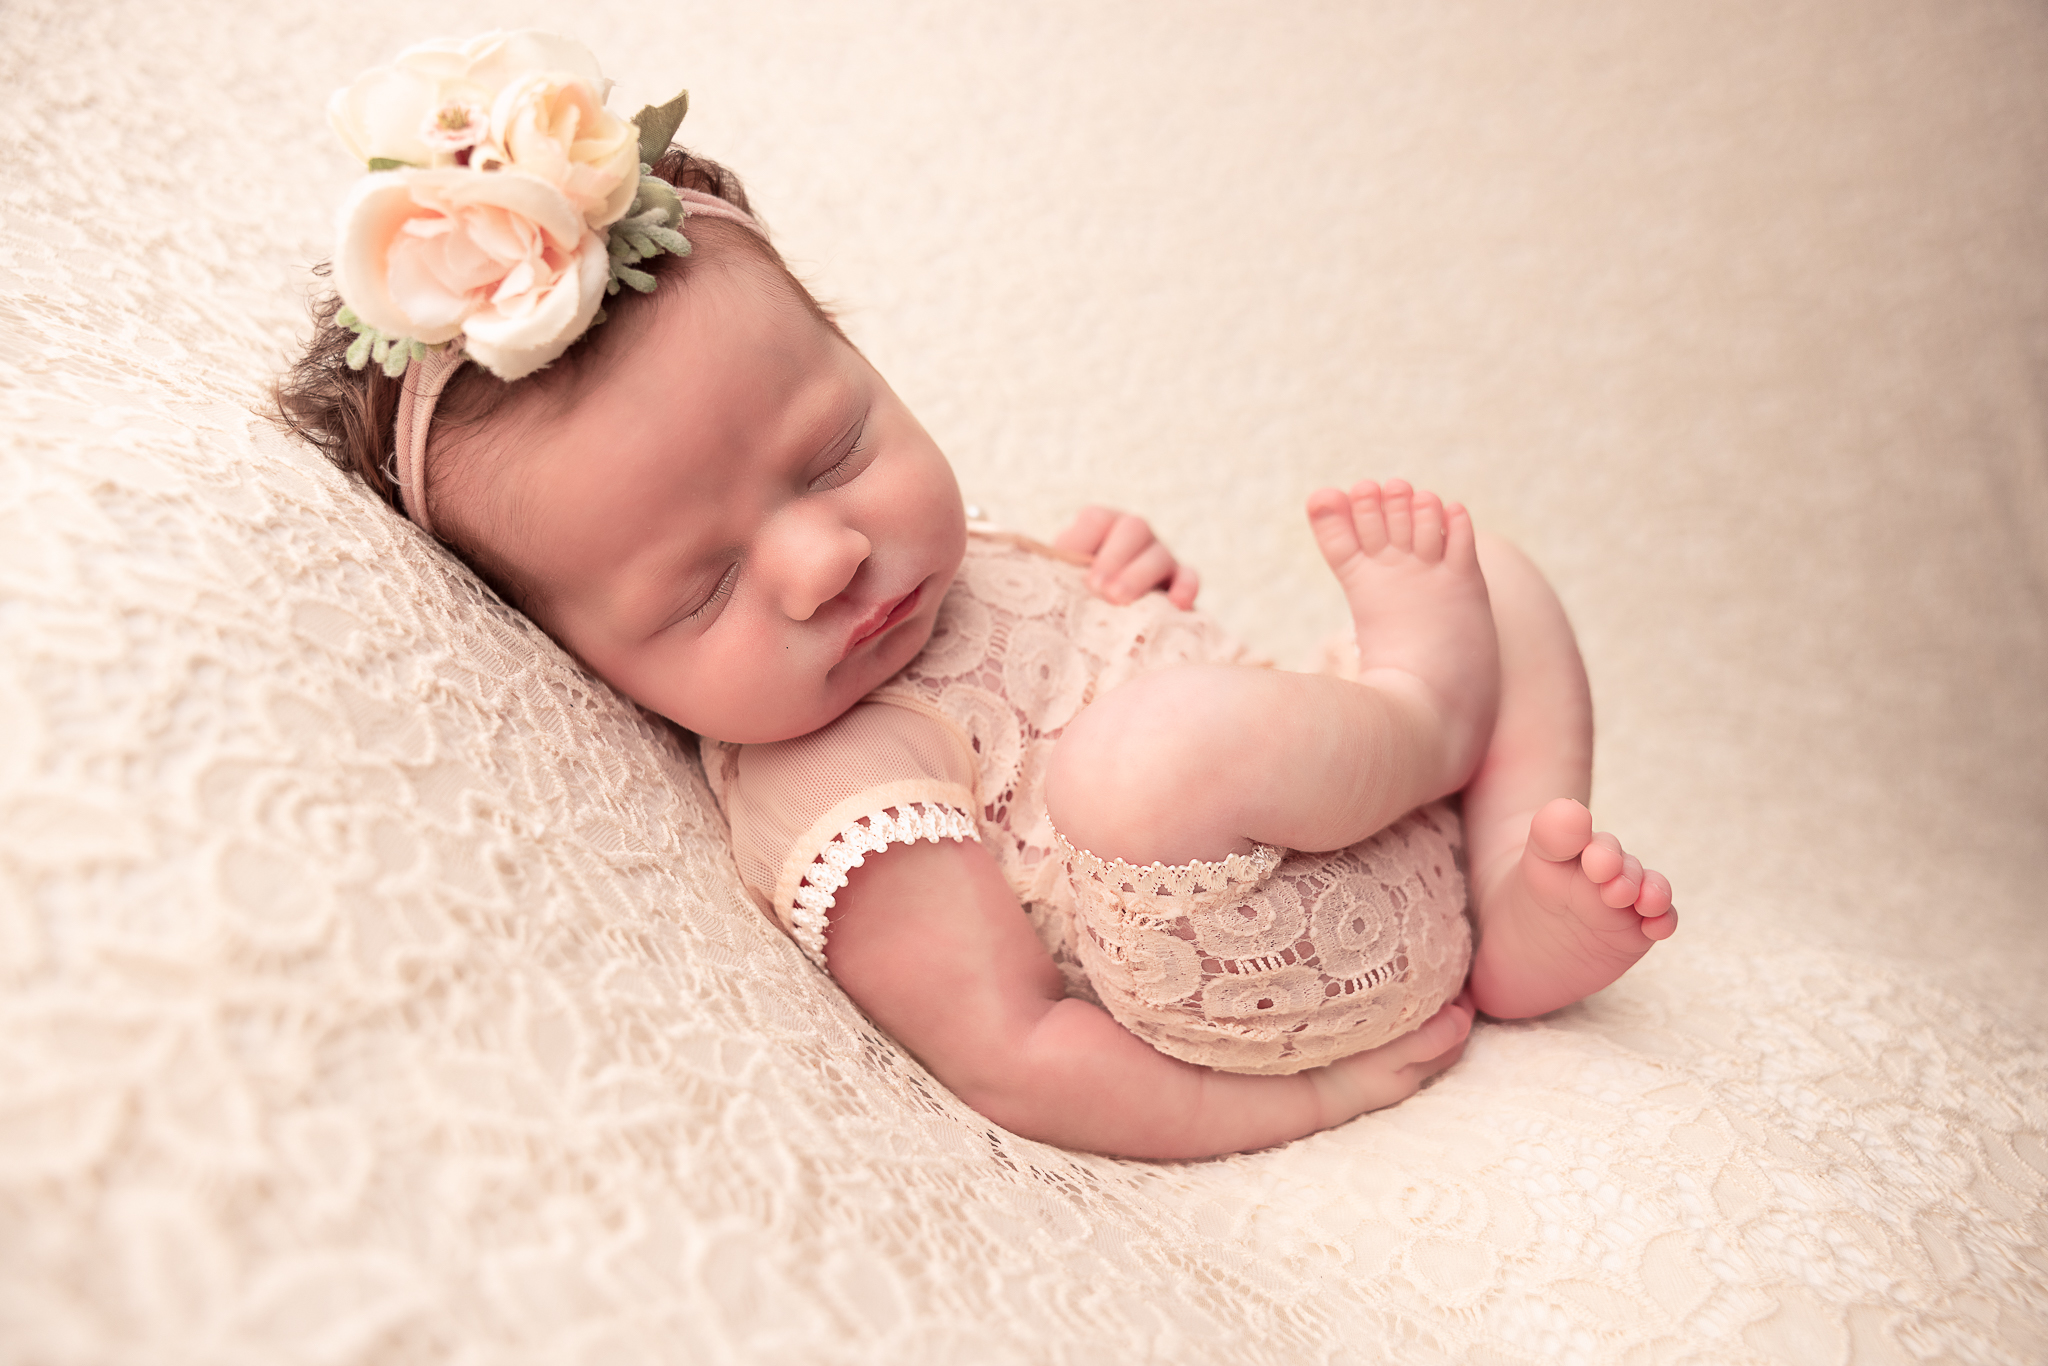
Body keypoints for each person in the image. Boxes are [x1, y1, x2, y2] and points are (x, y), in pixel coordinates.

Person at [278, 30, 1675, 1161]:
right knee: (1153, 758)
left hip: (1360, 839)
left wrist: (1113, 581)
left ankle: (1509, 882)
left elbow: (1064, 669)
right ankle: (1428, 714)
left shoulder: (924, 582)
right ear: (580, 661)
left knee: (1481, 565)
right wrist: (1311, 1104)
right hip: (1268, 981)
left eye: (838, 451)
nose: (826, 559)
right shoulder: (829, 783)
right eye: (703, 590)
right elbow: (1018, 1048)